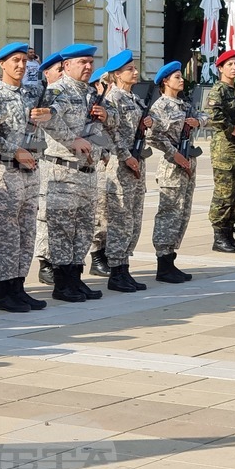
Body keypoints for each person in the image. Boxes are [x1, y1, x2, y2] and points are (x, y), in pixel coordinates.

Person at [40, 44, 111, 302]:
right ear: (67, 65)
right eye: (82, 62)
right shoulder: (58, 90)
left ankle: (76, 279)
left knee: (83, 229)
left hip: (87, 171)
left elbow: (99, 126)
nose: (88, 67)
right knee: (62, 229)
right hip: (63, 170)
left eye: (91, 62)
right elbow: (46, 118)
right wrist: (71, 140)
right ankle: (62, 284)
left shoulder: (90, 93)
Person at [0, 43, 52, 311]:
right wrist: (15, 151)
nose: (21, 65)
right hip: (4, 170)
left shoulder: (28, 95)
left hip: (29, 171)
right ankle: (4, 292)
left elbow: (42, 121)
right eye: (15, 60)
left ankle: (19, 286)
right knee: (5, 235)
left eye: (24, 61)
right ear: (2, 64)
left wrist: (46, 116)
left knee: (26, 232)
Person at [147, 61, 207, 282]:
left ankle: (171, 259)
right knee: (168, 214)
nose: (181, 80)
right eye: (177, 77)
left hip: (187, 164)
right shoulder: (159, 107)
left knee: (183, 213)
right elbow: (153, 136)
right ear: (165, 81)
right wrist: (175, 154)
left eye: (181, 77)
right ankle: (163, 263)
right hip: (171, 166)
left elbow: (205, 117)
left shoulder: (183, 105)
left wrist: (197, 121)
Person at [100, 49, 151, 292]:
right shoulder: (114, 99)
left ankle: (125, 267)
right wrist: (126, 156)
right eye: (130, 69)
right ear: (117, 75)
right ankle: (116, 271)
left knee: (134, 219)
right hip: (121, 167)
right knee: (121, 220)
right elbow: (113, 132)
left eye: (134, 68)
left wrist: (147, 124)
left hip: (136, 163)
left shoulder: (135, 99)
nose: (135, 72)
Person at [207, 49, 235, 253]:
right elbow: (214, 115)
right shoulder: (218, 90)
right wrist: (232, 128)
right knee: (224, 193)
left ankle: (229, 232)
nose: (234, 68)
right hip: (225, 148)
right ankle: (219, 234)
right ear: (220, 68)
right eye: (229, 65)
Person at [33, 50, 64, 286]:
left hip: (64, 162)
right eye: (59, 70)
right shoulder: (43, 96)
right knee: (45, 215)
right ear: (47, 73)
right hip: (47, 161)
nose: (63, 73)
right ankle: (46, 263)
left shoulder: (67, 95)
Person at [87, 67, 112, 278]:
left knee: (110, 213)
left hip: (111, 162)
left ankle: (106, 253)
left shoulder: (109, 106)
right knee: (99, 211)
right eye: (105, 83)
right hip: (98, 164)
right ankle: (96, 256)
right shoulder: (92, 106)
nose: (110, 87)